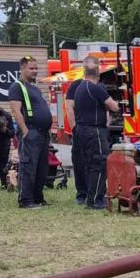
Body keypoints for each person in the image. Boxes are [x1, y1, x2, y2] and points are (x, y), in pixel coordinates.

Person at [71, 57, 121, 209]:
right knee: (99, 163)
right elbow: (114, 107)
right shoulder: (96, 88)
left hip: (82, 129)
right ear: (98, 74)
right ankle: (95, 200)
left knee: (90, 164)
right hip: (94, 130)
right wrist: (118, 103)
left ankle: (90, 196)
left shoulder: (79, 87)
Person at [8, 55, 53, 209]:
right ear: (22, 68)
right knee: (28, 167)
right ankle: (26, 200)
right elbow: (16, 111)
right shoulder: (17, 86)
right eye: (31, 68)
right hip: (31, 132)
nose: (35, 71)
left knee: (42, 168)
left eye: (36, 68)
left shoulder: (34, 88)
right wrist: (25, 131)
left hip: (42, 133)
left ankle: (38, 198)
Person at [64, 68, 85, 202]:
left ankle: (96, 192)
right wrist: (74, 128)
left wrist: (105, 126)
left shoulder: (99, 86)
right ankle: (81, 194)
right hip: (80, 129)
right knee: (79, 161)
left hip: (96, 131)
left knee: (95, 162)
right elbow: (69, 108)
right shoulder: (76, 85)